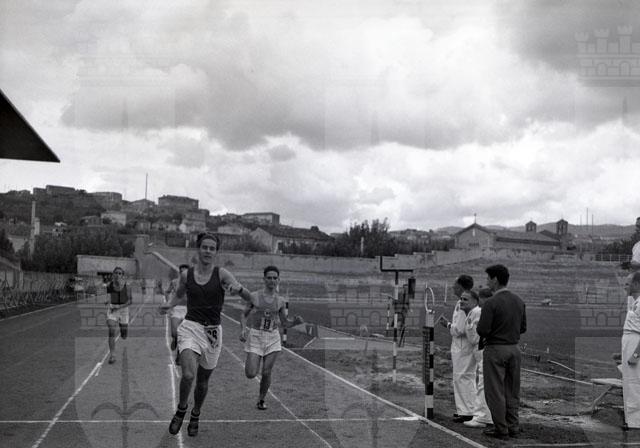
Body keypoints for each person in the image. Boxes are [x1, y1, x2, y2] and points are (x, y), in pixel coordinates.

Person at [159, 232, 253, 437]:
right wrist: (169, 305)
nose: (208, 251)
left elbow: (248, 296)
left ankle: (196, 413)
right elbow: (179, 294)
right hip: (190, 327)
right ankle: (181, 410)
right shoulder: (187, 275)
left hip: (212, 333)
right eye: (204, 247)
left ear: (216, 252)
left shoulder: (222, 274)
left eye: (212, 248)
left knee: (202, 382)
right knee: (188, 375)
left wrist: (239, 289)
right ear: (198, 249)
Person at [239, 265, 304, 410]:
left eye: (275, 278)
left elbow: (285, 323)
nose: (272, 281)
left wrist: (295, 322)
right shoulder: (255, 296)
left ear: (278, 280)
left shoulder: (280, 301)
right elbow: (244, 315)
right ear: (264, 279)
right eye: (269, 278)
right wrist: (243, 329)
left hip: (273, 337)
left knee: (267, 371)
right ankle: (253, 361)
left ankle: (261, 399)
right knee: (250, 373)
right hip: (256, 335)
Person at [477, 264, 526, 440]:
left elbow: (482, 330)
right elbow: (523, 328)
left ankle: (501, 429)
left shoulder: (491, 302)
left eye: (488, 278)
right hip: (514, 348)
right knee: (512, 390)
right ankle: (513, 426)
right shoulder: (519, 301)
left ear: (495, 280)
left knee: (495, 391)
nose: (487, 282)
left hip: (495, 349)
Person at [439, 275, 491, 427]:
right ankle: (465, 409)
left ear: (461, 286)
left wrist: (448, 325)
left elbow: (460, 328)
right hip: (462, 345)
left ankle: (467, 411)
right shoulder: (462, 302)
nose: (453, 288)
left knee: (464, 377)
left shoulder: (467, 305)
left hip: (464, 345)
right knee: (462, 377)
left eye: (455, 285)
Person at [621, 271, 640, 430]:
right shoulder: (634, 302)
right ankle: (630, 419)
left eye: (628, 284)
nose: (625, 286)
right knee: (628, 382)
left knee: (635, 382)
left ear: (637, 284)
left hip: (635, 346)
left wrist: (635, 354)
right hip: (629, 343)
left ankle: (636, 422)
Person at [105, 267, 131, 365]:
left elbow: (130, 301)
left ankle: (122, 328)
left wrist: (119, 307)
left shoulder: (127, 286)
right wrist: (108, 301)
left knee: (124, 335)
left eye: (120, 273)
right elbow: (109, 297)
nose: (117, 275)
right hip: (113, 309)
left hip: (124, 310)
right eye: (116, 273)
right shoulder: (109, 285)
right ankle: (112, 355)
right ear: (113, 274)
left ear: (122, 275)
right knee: (111, 330)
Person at [165, 264, 189, 364]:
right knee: (175, 332)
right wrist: (169, 303)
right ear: (179, 273)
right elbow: (167, 292)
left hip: (187, 310)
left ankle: (179, 355)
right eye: (182, 271)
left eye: (185, 271)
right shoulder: (174, 282)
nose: (183, 273)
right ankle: (174, 339)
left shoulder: (193, 283)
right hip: (176, 309)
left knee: (183, 334)